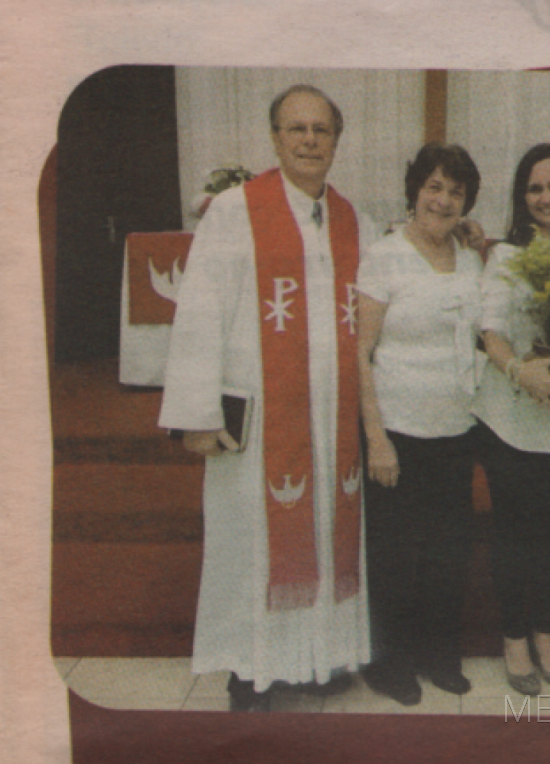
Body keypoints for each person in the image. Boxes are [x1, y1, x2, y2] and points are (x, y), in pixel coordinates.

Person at [159, 84, 375, 712]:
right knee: (251, 544)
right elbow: (200, 311)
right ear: (275, 138)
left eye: (321, 130)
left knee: (326, 535)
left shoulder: (347, 216)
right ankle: (250, 668)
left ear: (336, 139)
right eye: (295, 129)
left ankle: (317, 659)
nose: (309, 140)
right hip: (258, 418)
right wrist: (196, 416)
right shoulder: (236, 210)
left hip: (330, 420)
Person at [357, 143, 483, 706]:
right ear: (414, 193)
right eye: (434, 187)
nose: (443, 199)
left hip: (457, 430)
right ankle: (391, 663)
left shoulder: (472, 258)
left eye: (455, 191)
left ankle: (439, 656)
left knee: (447, 552)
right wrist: (376, 438)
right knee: (396, 555)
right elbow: (360, 352)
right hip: (398, 432)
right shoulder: (383, 256)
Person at [471, 144, 550, 696]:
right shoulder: (505, 256)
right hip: (514, 421)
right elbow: (489, 332)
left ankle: (547, 633)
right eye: (536, 188)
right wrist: (523, 372)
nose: (547, 197)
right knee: (515, 534)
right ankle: (514, 637)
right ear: (522, 198)